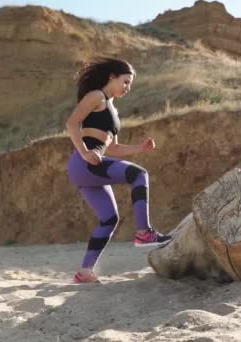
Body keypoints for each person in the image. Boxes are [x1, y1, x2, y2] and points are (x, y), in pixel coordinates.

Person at [65, 57, 172, 283]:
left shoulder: (112, 109)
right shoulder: (96, 96)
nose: (128, 88)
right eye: (125, 82)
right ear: (111, 77)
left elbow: (112, 148)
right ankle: (144, 233)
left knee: (109, 219)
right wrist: (84, 152)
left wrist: (140, 148)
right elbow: (71, 124)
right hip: (85, 163)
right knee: (139, 175)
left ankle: (84, 272)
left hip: (90, 167)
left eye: (130, 84)